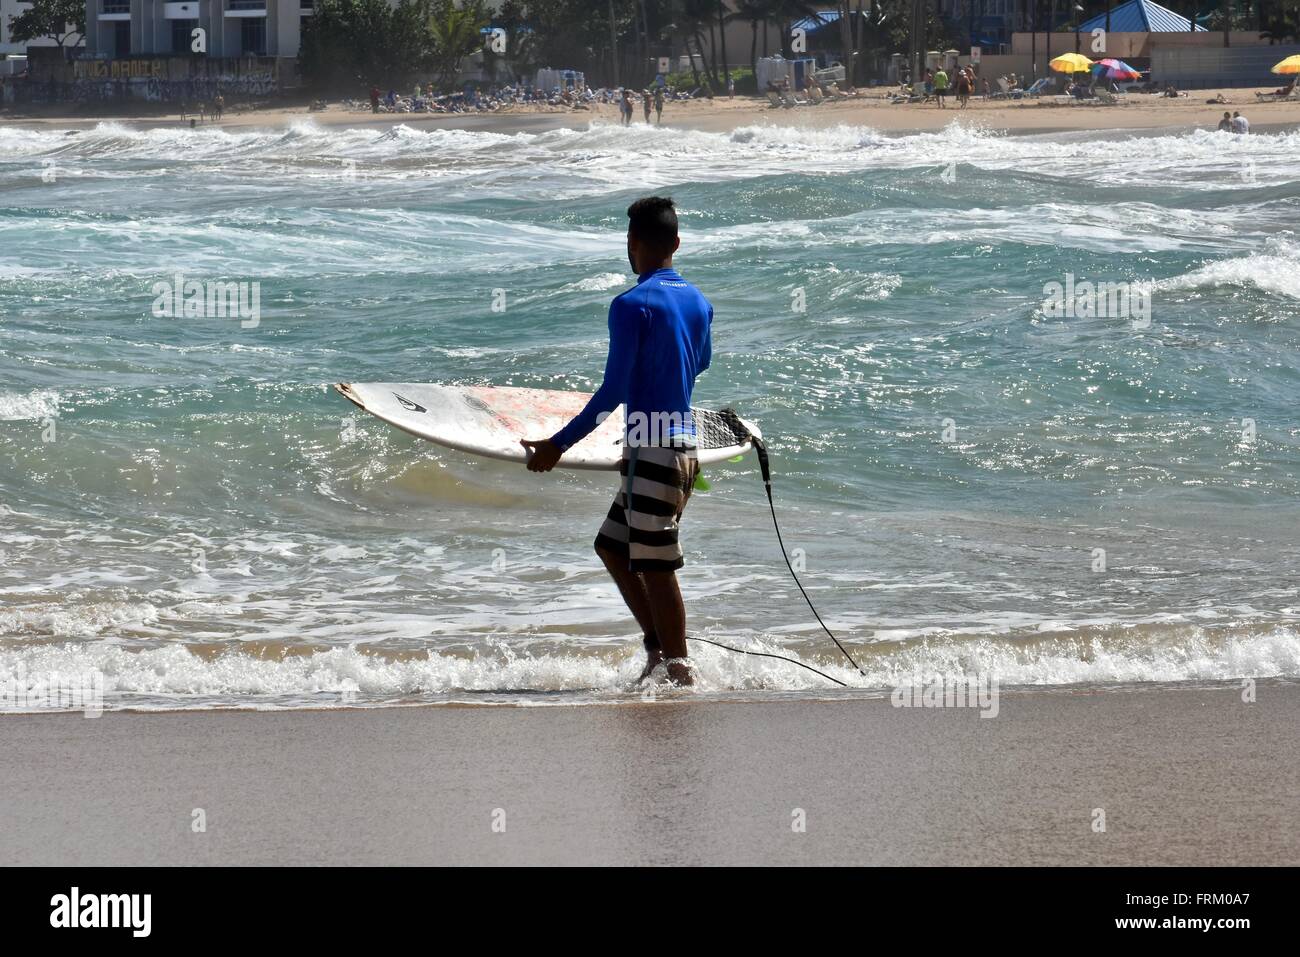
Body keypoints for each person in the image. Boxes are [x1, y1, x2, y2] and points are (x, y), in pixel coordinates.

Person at [521, 197, 713, 687]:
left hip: (654, 450)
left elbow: (613, 391)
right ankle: (659, 652)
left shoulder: (630, 305)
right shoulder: (699, 302)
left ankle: (680, 669)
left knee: (657, 563)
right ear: (676, 243)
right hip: (682, 447)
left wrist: (556, 445)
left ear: (632, 244)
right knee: (612, 546)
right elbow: (699, 364)